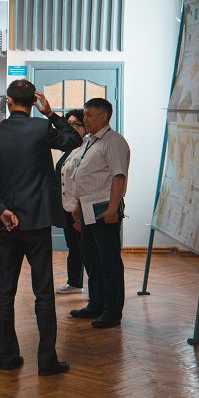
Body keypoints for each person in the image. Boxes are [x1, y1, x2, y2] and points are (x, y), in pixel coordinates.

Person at [0, 80, 82, 376]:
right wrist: (50, 114)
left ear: (9, 101)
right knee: (43, 292)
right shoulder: (41, 127)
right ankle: (47, 361)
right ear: (34, 100)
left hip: (6, 224)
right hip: (37, 221)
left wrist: (1, 210)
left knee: (5, 291)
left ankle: (8, 357)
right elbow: (74, 140)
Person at [62, 97, 130, 329]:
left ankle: (112, 312)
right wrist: (77, 206)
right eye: (85, 114)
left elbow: (119, 176)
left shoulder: (114, 141)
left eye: (90, 115)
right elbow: (85, 176)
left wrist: (112, 209)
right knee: (91, 260)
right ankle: (96, 304)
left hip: (103, 209)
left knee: (109, 262)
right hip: (87, 208)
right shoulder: (90, 141)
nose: (85, 119)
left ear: (104, 116)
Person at [54, 109, 86, 294]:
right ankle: (74, 282)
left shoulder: (86, 148)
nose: (71, 127)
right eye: (69, 124)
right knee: (73, 246)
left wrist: (78, 208)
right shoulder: (70, 149)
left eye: (75, 124)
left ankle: (95, 291)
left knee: (84, 247)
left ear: (84, 127)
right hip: (66, 207)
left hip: (79, 207)